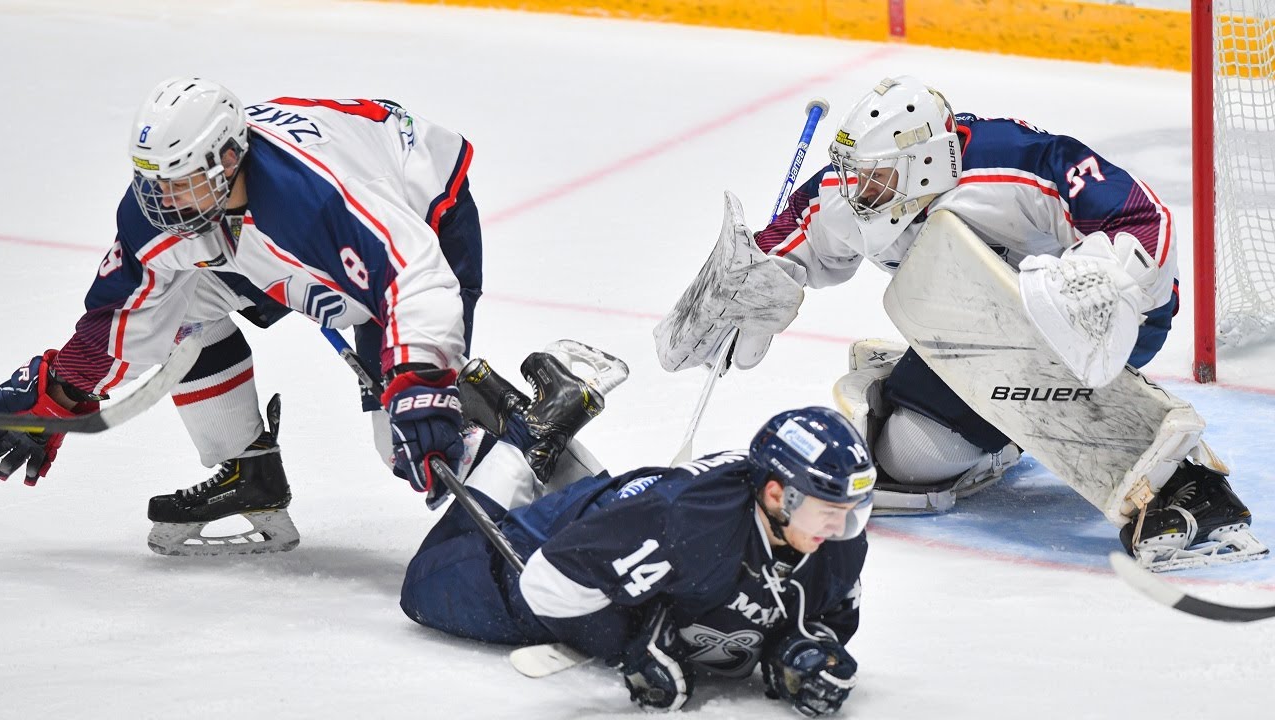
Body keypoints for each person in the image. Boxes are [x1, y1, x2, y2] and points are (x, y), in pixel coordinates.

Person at [659, 75, 1264, 571]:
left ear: (925, 163)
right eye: (850, 172)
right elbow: (786, 240)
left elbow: (1146, 219)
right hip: (983, 334)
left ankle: (1187, 477)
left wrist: (1103, 286)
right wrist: (753, 280)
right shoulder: (853, 191)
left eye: (873, 177)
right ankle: (1002, 432)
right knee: (906, 461)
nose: (854, 189)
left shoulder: (1019, 164)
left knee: (1049, 351)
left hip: (1110, 322)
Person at [0, 77, 490, 555]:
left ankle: (525, 483)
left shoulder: (311, 201)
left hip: (415, 208)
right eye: (153, 184)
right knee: (178, 307)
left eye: (179, 184)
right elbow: (127, 318)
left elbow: (414, 276)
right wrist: (61, 391)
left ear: (228, 159)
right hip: (277, 230)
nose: (163, 204)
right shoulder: (175, 206)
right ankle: (249, 470)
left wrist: (420, 381)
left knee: (407, 439)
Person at [401, 362, 875, 716]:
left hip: (630, 522)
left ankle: (545, 448)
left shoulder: (835, 540)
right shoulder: (689, 524)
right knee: (424, 586)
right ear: (778, 495)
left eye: (852, 511)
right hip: (560, 547)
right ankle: (524, 438)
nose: (842, 527)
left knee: (631, 525)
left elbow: (826, 612)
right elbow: (545, 582)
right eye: (831, 510)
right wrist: (626, 640)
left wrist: (800, 651)